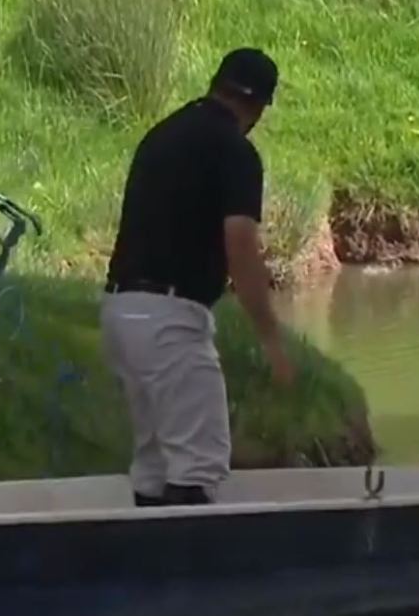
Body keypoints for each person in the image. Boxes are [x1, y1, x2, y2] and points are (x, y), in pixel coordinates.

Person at [101, 47, 294, 507]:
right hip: (170, 315)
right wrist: (270, 337)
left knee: (153, 463)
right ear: (258, 108)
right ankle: (188, 572)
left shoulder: (163, 134)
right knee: (197, 464)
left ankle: (147, 562)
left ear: (216, 84)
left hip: (120, 309)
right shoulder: (235, 151)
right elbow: (241, 247)